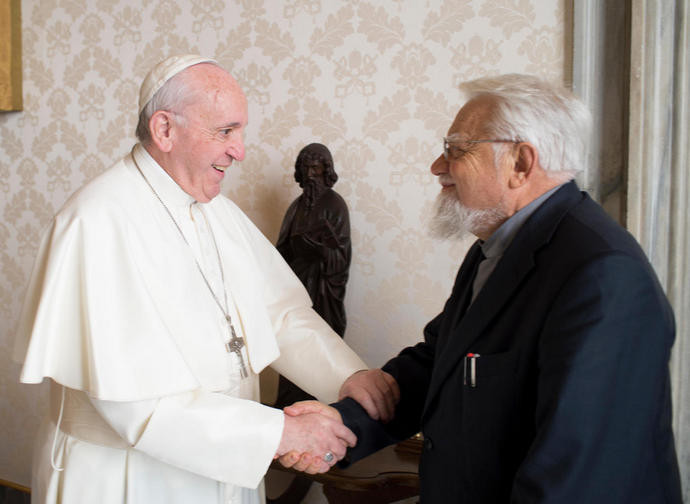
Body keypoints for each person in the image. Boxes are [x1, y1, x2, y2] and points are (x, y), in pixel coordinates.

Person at [281, 74, 683, 503]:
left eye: (455, 150)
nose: (437, 166)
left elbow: (574, 478)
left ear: (521, 164)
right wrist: (341, 425)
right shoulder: (497, 248)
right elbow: (440, 364)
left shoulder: (603, 277)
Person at [12, 54, 369, 504]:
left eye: (240, 132)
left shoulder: (213, 208)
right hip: (126, 479)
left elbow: (278, 314)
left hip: (228, 463)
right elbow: (136, 406)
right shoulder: (97, 222)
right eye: (225, 132)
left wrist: (350, 378)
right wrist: (280, 433)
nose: (239, 150)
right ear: (164, 130)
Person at [274, 143, 352, 408]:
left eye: (316, 167)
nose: (310, 174)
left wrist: (316, 248)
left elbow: (340, 255)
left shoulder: (334, 205)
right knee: (292, 349)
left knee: (319, 350)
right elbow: (280, 251)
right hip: (295, 288)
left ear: (326, 170)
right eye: (305, 167)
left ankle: (320, 411)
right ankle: (288, 408)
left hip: (322, 289)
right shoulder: (295, 207)